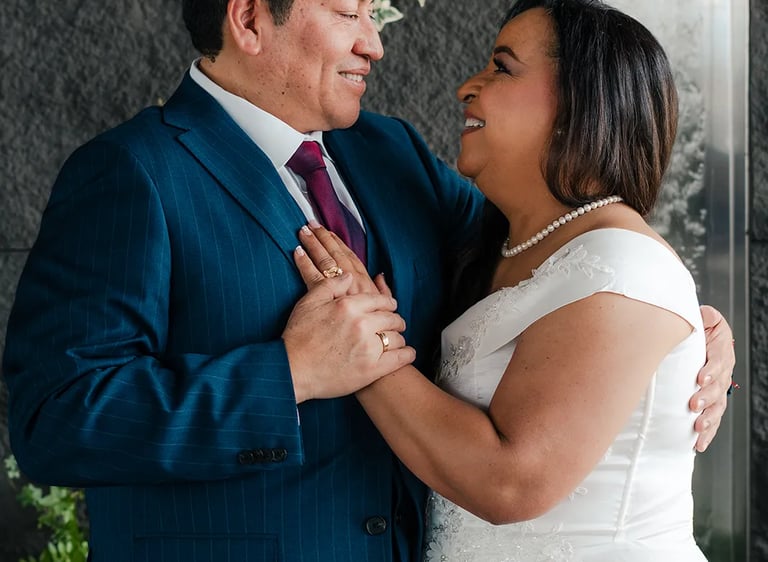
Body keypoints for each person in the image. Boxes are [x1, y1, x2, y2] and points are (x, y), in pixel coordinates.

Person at [2, 1, 732, 561]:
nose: (374, 42)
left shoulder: (390, 151)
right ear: (251, 19)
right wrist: (286, 374)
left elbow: (554, 265)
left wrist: (681, 338)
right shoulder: (132, 174)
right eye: (348, 12)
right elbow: (52, 422)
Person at [291, 0, 726, 559]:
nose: (466, 88)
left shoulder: (627, 265)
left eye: (502, 66)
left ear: (581, 101)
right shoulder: (499, 244)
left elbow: (512, 482)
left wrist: (359, 340)